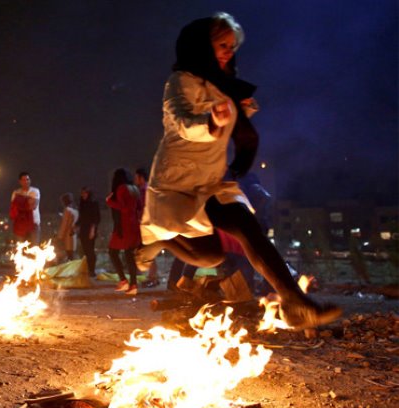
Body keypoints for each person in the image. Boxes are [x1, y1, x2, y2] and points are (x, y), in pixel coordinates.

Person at [135, 12, 340, 328]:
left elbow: (239, 129)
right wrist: (211, 122)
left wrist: (240, 125)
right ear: (203, 45)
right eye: (222, 45)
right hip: (179, 181)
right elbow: (179, 123)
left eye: (232, 46)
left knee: (247, 228)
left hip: (212, 180)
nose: (229, 51)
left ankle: (295, 303)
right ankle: (160, 239)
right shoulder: (180, 82)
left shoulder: (223, 86)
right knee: (209, 256)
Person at [107, 169, 142, 296]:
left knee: (113, 252)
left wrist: (110, 201)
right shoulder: (134, 189)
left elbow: (123, 207)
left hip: (124, 224)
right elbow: (138, 207)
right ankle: (132, 284)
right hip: (133, 224)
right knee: (129, 255)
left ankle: (124, 280)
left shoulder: (121, 188)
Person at [134, 166, 160, 287]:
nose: (135, 179)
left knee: (149, 251)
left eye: (136, 177)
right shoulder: (148, 189)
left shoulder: (145, 190)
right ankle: (152, 277)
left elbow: (144, 208)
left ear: (141, 178)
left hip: (146, 225)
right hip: (149, 224)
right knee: (148, 251)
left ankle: (153, 277)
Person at [9, 172, 41, 244]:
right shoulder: (15, 192)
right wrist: (27, 201)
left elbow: (33, 206)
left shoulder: (35, 191)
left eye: (27, 179)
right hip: (20, 225)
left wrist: (20, 200)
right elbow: (13, 207)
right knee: (20, 249)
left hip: (34, 224)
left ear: (30, 180)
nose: (26, 181)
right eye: (23, 180)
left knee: (34, 250)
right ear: (20, 181)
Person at [76, 186, 100, 277]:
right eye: (82, 193)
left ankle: (92, 270)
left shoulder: (93, 203)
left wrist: (92, 230)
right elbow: (81, 217)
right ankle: (88, 269)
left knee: (90, 250)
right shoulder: (82, 204)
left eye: (85, 193)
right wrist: (76, 225)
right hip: (83, 230)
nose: (83, 195)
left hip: (90, 229)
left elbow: (96, 218)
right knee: (85, 250)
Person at [56, 192, 79, 262]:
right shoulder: (75, 211)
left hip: (67, 235)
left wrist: (59, 237)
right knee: (72, 254)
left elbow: (64, 225)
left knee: (69, 255)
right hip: (74, 235)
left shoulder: (67, 210)